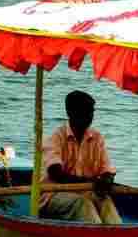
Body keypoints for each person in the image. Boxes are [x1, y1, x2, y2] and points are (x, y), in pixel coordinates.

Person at [38, 90, 121, 224]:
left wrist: (107, 179)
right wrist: (90, 182)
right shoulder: (56, 138)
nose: (89, 116)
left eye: (91, 112)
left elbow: (106, 169)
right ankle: (96, 234)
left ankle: (116, 232)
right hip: (52, 196)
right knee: (82, 203)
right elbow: (56, 174)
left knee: (104, 200)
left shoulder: (97, 138)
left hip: (85, 193)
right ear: (70, 113)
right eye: (84, 112)